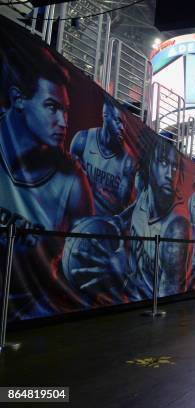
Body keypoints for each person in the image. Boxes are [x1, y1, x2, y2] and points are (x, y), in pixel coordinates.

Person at [0, 46, 93, 319]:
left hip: (30, 312)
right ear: (18, 99)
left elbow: (81, 261)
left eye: (65, 110)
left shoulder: (72, 181)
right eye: (52, 107)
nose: (64, 122)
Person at [65, 135, 192, 300]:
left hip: (151, 314)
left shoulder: (176, 227)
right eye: (163, 162)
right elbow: (129, 214)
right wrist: (107, 225)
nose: (170, 174)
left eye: (175, 167)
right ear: (149, 165)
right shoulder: (145, 194)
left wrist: (121, 274)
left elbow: (170, 301)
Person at [70, 94, 137, 215]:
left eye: (124, 124)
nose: (122, 128)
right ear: (106, 116)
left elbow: (122, 205)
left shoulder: (128, 160)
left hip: (105, 225)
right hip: (79, 218)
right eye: (118, 121)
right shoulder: (82, 140)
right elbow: (70, 187)